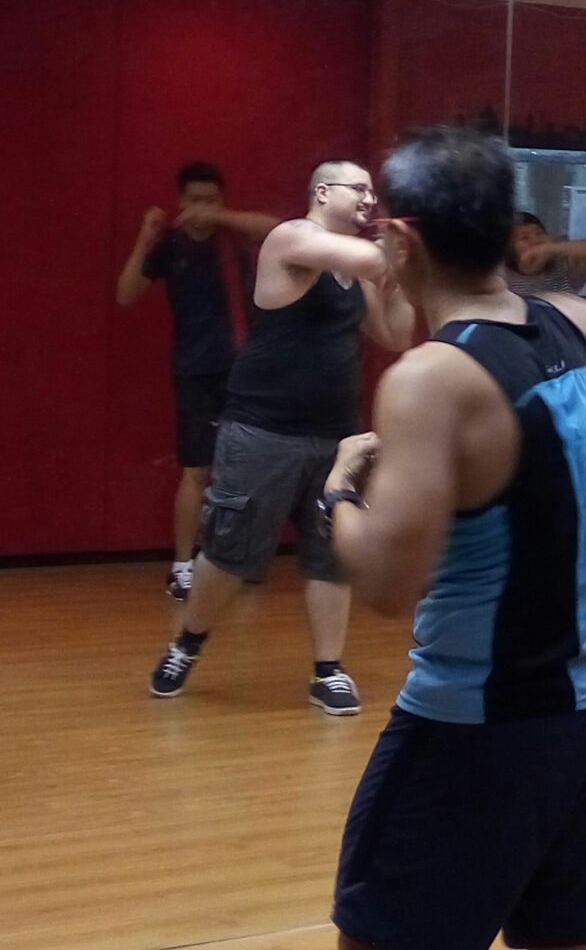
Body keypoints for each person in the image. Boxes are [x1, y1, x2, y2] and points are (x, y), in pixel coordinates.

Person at [324, 127, 586, 950]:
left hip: (482, 723)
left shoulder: (430, 379)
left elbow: (387, 588)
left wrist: (336, 495)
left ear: (401, 241)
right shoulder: (575, 326)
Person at [147, 161, 415, 713]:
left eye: (373, 191)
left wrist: (408, 281)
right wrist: (413, 245)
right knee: (229, 554)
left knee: (330, 553)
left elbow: (393, 333)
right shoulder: (292, 238)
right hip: (263, 427)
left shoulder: (357, 270)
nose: (369, 199)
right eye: (359, 189)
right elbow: (375, 258)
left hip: (336, 432)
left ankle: (328, 670)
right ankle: (186, 644)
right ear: (323, 192)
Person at [115, 162, 277, 599]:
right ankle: (183, 567)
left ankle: (231, 562)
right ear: (180, 202)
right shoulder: (170, 246)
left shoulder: (234, 240)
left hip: (244, 371)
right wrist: (145, 237)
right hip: (195, 371)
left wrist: (220, 216)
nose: (202, 208)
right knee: (196, 471)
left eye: (211, 199)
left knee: (244, 470)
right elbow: (126, 293)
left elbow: (276, 229)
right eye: (194, 200)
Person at [505, 211, 586, 296]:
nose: (536, 240)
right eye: (524, 237)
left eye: (539, 233)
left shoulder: (564, 267)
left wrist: (547, 248)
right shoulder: (501, 276)